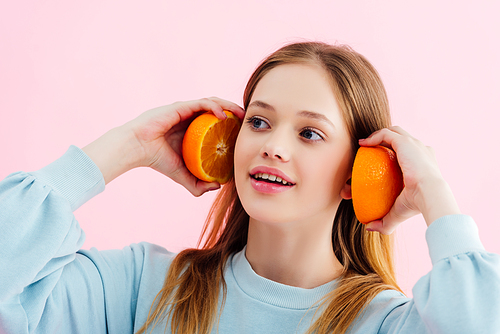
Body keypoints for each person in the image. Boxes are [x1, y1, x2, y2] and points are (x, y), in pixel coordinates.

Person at [0, 42, 498, 334]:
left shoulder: (387, 324)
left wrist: (436, 196)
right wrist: (123, 146)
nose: (273, 147)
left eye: (309, 133)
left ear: (355, 173)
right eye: (258, 123)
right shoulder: (141, 287)